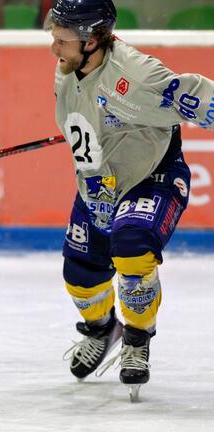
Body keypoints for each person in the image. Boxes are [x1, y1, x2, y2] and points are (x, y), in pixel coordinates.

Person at [46, 0, 212, 400]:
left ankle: (137, 340)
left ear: (93, 39)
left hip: (151, 176)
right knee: (80, 274)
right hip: (98, 182)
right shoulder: (68, 68)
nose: (54, 47)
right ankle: (102, 329)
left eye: (63, 39)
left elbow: (198, 97)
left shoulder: (136, 74)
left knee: (132, 250)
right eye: (53, 36)